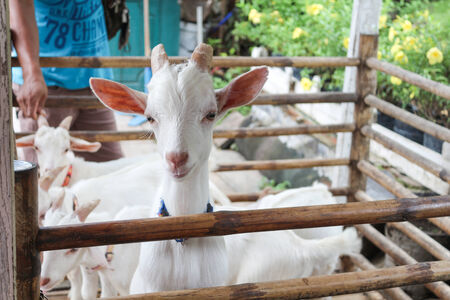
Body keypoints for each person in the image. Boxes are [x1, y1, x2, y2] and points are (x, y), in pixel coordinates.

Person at [10, 0, 124, 163]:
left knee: (111, 170)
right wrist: (31, 74)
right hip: (46, 81)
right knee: (44, 176)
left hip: (93, 75)